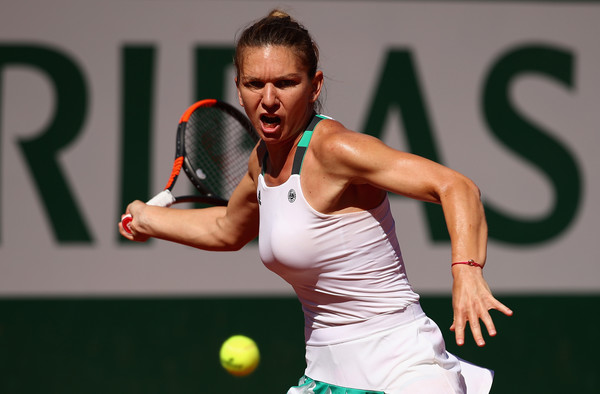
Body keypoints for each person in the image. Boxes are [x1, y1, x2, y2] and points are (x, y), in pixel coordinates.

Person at [120, 9, 513, 394]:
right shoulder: (262, 160)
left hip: (405, 370)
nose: (269, 99)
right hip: (326, 375)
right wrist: (147, 219)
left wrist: (466, 270)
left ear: (315, 86)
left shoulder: (335, 149)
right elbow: (227, 228)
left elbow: (456, 187)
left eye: (286, 83)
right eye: (255, 84)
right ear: (238, 88)